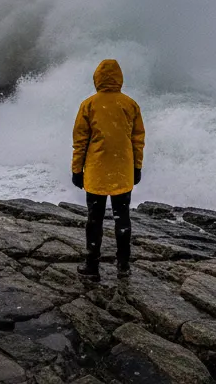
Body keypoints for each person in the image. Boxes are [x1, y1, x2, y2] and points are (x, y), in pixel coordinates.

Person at [70, 59, 144, 281]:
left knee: (95, 220)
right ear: (119, 78)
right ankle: (123, 266)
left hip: (96, 171)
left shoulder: (89, 105)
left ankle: (92, 266)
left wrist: (76, 170)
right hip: (123, 171)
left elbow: (80, 141)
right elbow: (137, 140)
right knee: (123, 218)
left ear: (97, 78)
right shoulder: (130, 104)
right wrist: (137, 167)